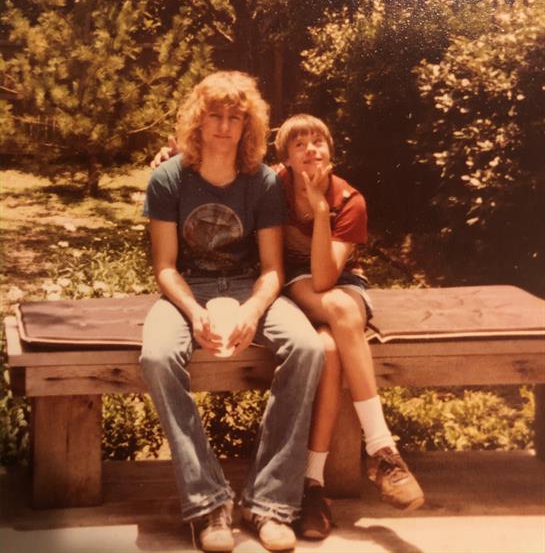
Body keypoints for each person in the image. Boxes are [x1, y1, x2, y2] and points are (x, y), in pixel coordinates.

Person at [141, 72, 324, 553]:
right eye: (214, 116)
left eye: (234, 118)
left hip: (248, 288)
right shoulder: (167, 179)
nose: (224, 126)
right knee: (156, 356)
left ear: (248, 126)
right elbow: (164, 267)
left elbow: (272, 269)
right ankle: (209, 505)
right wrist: (193, 312)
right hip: (187, 291)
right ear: (197, 122)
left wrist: (252, 310)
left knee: (308, 347)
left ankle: (269, 503)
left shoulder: (261, 182)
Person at [274, 114, 424, 539]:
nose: (311, 149)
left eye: (318, 142)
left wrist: (321, 208)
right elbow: (229, 170)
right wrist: (175, 156)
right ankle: (380, 449)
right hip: (294, 283)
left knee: (331, 344)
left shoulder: (348, 199)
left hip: (339, 282)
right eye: (299, 144)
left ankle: (314, 484)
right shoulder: (273, 186)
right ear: (285, 158)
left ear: (331, 151)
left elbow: (328, 277)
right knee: (337, 319)